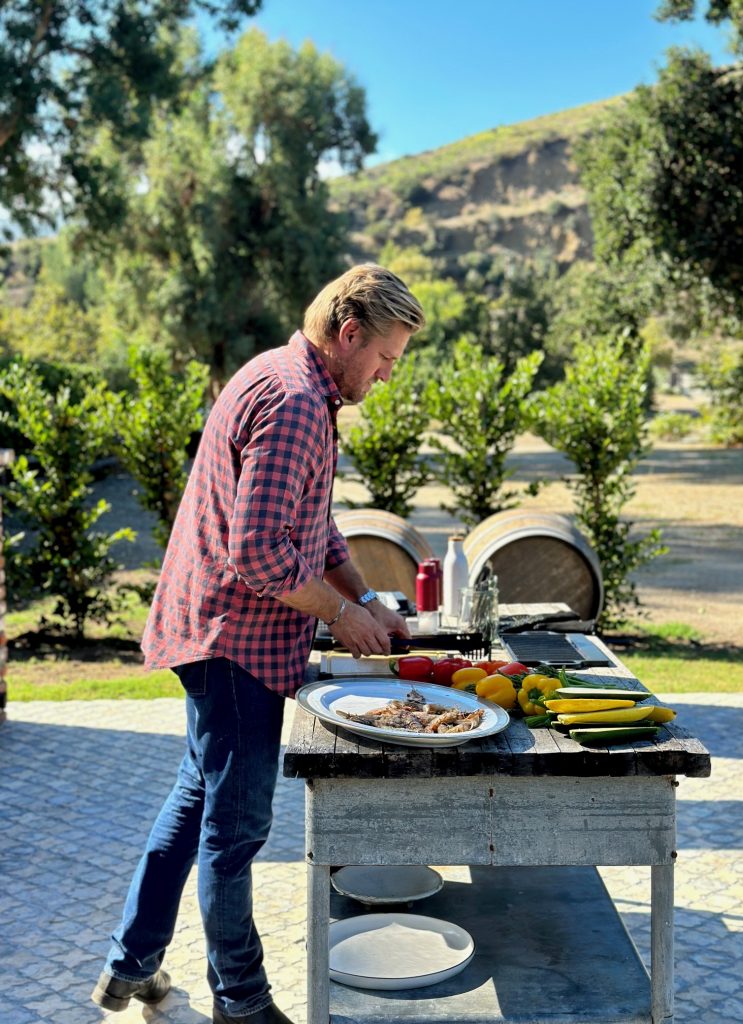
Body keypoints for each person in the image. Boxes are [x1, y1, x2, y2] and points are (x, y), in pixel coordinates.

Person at [91, 264, 425, 1023]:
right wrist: (342, 620)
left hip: (217, 634)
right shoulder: (298, 402)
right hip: (235, 644)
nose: (385, 375)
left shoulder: (287, 379)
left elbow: (312, 527)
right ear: (349, 334)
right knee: (234, 833)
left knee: (196, 798)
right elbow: (261, 554)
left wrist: (366, 597)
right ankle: (240, 1001)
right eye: (385, 358)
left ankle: (128, 966)